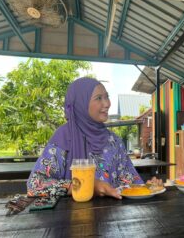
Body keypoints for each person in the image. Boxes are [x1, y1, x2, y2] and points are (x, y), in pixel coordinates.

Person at [27, 77, 160, 199]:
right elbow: (35, 184)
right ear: (81, 103)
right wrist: (88, 185)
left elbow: (128, 182)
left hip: (112, 221)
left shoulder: (114, 141)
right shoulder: (64, 137)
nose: (107, 103)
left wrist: (148, 187)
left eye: (107, 97)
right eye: (98, 98)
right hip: (69, 220)